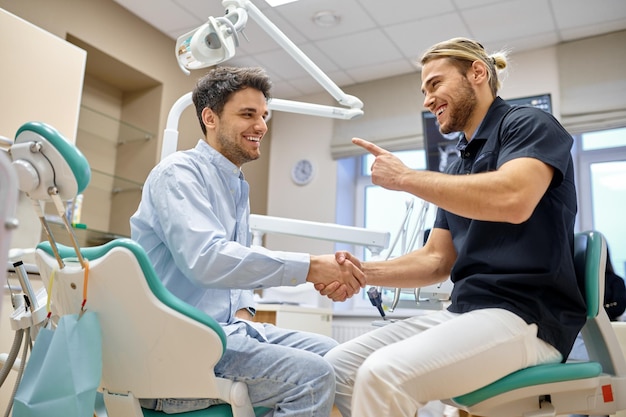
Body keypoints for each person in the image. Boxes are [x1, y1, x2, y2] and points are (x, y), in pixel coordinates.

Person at [321, 37, 586, 417]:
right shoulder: (459, 166)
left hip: (527, 315)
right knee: (336, 368)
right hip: (465, 312)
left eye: (435, 84)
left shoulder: (528, 124)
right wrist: (357, 271)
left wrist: (407, 178)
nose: (427, 100)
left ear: (477, 73)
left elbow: (514, 199)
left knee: (383, 376)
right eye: (424, 90)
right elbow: (436, 260)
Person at [130, 66, 364, 416]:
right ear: (210, 117)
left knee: (337, 355)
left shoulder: (236, 185)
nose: (262, 126)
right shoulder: (178, 174)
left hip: (226, 333)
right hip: (178, 347)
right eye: (248, 114)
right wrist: (311, 267)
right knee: (312, 377)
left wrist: (244, 316)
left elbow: (232, 275)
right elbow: (207, 260)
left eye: (264, 115)